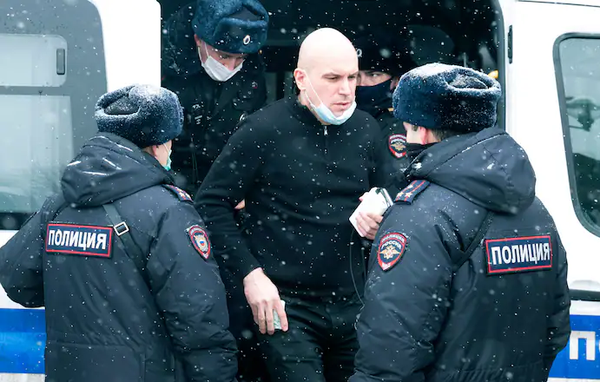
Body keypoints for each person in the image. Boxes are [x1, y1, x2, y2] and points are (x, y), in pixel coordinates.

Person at [0, 85, 238, 382]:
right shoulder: (168, 210)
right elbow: (198, 318)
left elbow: (17, 280)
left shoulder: (60, 205)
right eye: (171, 141)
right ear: (156, 145)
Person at [350, 63, 571, 382]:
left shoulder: (419, 216)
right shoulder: (535, 210)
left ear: (421, 130)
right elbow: (556, 327)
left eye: (407, 126)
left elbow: (390, 353)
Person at [195, 27, 391, 382]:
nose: (347, 90)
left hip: (353, 301)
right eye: (332, 78)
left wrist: (382, 206)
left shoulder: (367, 129)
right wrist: (250, 275)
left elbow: (395, 192)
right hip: (284, 305)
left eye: (352, 77)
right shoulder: (264, 129)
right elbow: (210, 203)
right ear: (301, 78)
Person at [161, 0, 270, 196]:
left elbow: (258, 137)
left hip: (225, 188)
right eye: (224, 56)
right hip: (169, 187)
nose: (231, 67)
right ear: (198, 39)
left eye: (240, 58)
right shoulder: (162, 69)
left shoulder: (251, 73)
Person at [354, 29, 416, 179]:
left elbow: (394, 183)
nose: (361, 83)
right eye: (354, 76)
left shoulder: (401, 125)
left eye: (373, 75)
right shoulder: (337, 116)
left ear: (395, 80)